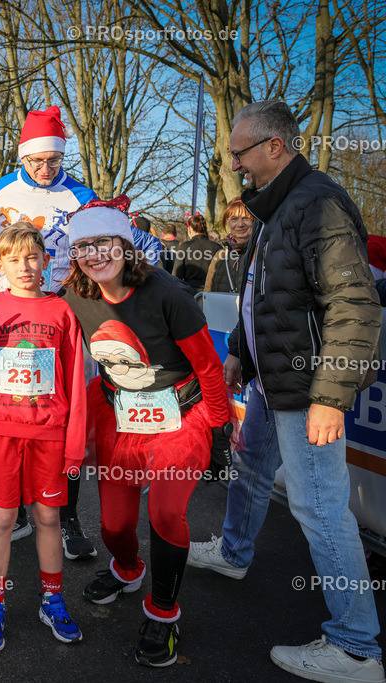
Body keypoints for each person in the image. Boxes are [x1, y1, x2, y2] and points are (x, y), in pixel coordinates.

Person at [187, 101, 383, 683]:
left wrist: (330, 396)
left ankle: (356, 648)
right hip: (273, 384)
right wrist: (241, 356)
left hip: (306, 391)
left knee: (320, 508)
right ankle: (234, 552)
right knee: (250, 466)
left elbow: (354, 304)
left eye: (239, 152)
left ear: (276, 146)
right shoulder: (275, 206)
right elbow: (265, 299)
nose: (234, 164)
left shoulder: (317, 203)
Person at [59, 196, 232, 667]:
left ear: (126, 244)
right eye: (83, 247)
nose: (94, 255)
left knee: (165, 515)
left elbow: (209, 369)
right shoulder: (75, 295)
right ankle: (127, 568)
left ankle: (162, 612)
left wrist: (218, 433)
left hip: (181, 420)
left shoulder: (167, 293)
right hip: (118, 418)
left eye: (104, 244)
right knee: (114, 525)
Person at [0, 107, 140, 557]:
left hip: (65, 316)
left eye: (52, 160)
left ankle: (64, 519)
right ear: (21, 156)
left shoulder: (81, 195)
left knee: (62, 416)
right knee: (13, 413)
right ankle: (14, 514)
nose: (45, 169)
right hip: (8, 320)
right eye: (35, 161)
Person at [0, 223, 86, 651]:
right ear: (1, 265)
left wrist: (75, 444)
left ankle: (52, 598)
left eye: (32, 257)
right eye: (13, 259)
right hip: (3, 432)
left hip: (50, 433)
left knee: (49, 517)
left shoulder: (62, 312)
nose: (25, 266)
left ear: (47, 260)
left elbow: (75, 383)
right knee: (2, 519)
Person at [203, 198, 254, 293]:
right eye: (234, 219)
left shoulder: (261, 253)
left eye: (246, 218)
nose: (240, 224)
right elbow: (208, 294)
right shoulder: (220, 256)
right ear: (228, 222)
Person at [171, 214, 221, 291]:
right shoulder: (217, 247)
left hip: (190, 292)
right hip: (212, 292)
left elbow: (177, 276)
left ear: (190, 229)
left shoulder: (184, 247)